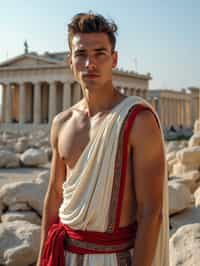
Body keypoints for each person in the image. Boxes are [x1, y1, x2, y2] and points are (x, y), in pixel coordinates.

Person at [37, 12, 169, 266]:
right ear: (70, 61)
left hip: (112, 258)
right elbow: (54, 195)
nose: (90, 64)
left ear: (114, 59)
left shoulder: (137, 120)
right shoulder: (62, 123)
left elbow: (151, 212)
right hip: (64, 255)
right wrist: (43, 257)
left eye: (100, 53)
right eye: (81, 54)